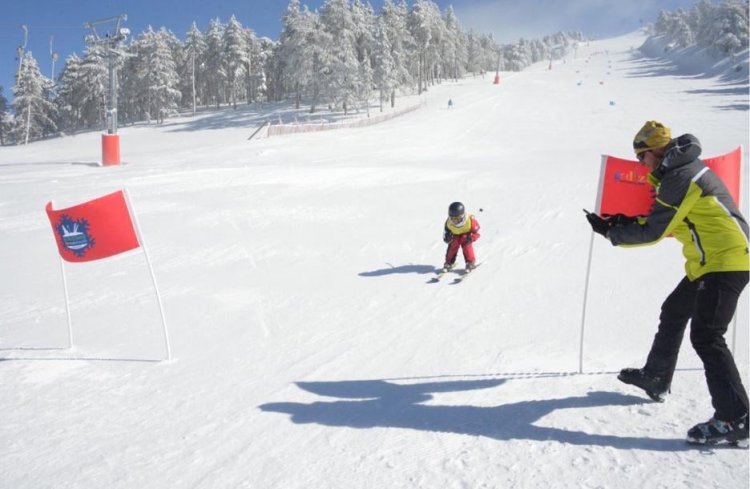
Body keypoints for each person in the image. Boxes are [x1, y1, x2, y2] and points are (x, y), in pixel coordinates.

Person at [585, 120, 749, 446]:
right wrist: (623, 221)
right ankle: (657, 377)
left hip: (726, 261)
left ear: (657, 151)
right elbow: (663, 220)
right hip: (708, 263)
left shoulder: (680, 177)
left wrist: (610, 232)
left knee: (706, 335)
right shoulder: (681, 171)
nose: (640, 164)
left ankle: (737, 418)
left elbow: (654, 231)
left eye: (641, 156)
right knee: (674, 310)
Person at [442, 202, 480, 272]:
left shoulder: (470, 221)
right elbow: (446, 231)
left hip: (466, 236)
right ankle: (449, 262)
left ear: (462, 216)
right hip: (455, 235)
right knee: (453, 244)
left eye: (458, 218)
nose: (455, 221)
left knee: (466, 244)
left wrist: (471, 237)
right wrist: (447, 237)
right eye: (452, 219)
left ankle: (470, 262)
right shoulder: (449, 223)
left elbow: (477, 233)